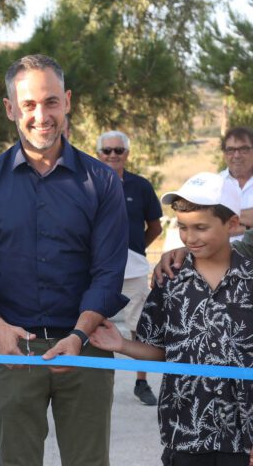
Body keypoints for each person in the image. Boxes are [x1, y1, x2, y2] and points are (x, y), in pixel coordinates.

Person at [0, 54, 129, 466]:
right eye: (28, 104)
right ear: (10, 108)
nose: (41, 116)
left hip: (86, 348)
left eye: (50, 102)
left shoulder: (102, 182)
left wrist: (79, 336)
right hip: (12, 350)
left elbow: (107, 274)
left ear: (67, 102)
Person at [91, 171, 253, 466]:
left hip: (244, 441)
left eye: (201, 227)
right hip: (184, 434)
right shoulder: (169, 281)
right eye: (183, 227)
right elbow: (164, 353)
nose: (190, 238)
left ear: (232, 224)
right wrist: (122, 345)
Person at [95, 130, 162, 405]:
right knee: (91, 321)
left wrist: (134, 249)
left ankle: (141, 382)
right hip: (97, 269)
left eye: (118, 150)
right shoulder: (86, 183)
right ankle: (93, 378)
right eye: (107, 150)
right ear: (98, 154)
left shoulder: (141, 186)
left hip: (134, 270)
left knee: (139, 327)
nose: (113, 155)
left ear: (127, 154)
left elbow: (155, 227)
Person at [220, 127, 253, 239]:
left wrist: (224, 216)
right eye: (230, 150)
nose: (237, 155)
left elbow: (216, 222)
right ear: (224, 154)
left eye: (244, 149)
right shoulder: (214, 184)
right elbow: (208, 224)